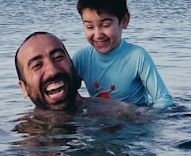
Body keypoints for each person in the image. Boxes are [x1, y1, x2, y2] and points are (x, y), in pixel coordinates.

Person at [72, 0, 173, 108]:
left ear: (124, 21)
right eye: (89, 27)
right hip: (99, 125)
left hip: (133, 124)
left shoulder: (137, 57)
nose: (97, 35)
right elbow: (67, 93)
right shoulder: (82, 58)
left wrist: (143, 116)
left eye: (106, 25)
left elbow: (163, 99)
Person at [15, 30, 146, 121]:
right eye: (37, 65)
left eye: (58, 57)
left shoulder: (119, 113)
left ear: (73, 66)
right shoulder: (24, 135)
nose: (52, 70)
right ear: (23, 88)